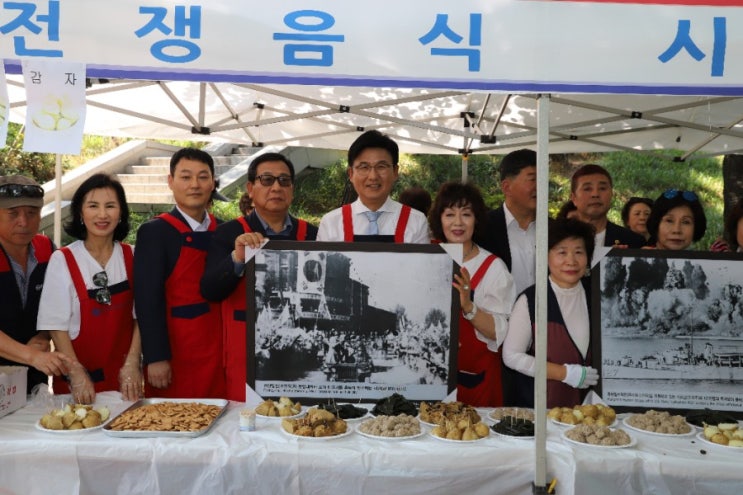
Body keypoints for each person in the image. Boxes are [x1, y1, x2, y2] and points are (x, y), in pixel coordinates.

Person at [201, 152, 318, 401]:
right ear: (251, 188)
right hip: (244, 358)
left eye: (284, 181)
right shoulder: (228, 234)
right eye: (267, 180)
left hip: (296, 360)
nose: (276, 187)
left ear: (292, 189)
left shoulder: (313, 236)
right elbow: (210, 290)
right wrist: (237, 258)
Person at [38, 174, 142, 403]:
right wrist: (75, 371)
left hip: (126, 381)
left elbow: (141, 317)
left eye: (110, 206)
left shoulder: (133, 256)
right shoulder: (63, 259)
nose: (102, 215)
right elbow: (56, 326)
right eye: (93, 206)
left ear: (121, 212)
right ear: (80, 213)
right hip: (80, 384)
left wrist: (133, 362)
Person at [134, 147, 226, 399]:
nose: (194, 184)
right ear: (170, 182)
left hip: (221, 350)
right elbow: (147, 300)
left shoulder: (227, 231)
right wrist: (156, 357)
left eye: (203, 177)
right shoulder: (155, 232)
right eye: (186, 177)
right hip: (177, 353)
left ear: (213, 183)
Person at [429, 181, 516, 407]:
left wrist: (469, 306)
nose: (457, 222)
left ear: (476, 219)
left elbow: (502, 333)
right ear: (439, 219)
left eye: (466, 214)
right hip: (430, 379)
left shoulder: (494, 268)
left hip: (477, 382)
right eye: (449, 214)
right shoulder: (427, 259)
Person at [502, 218, 599, 408]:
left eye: (579, 252)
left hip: (591, 411)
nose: (571, 261)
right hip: (541, 409)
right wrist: (564, 373)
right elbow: (511, 356)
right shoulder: (530, 300)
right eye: (562, 252)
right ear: (546, 256)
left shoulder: (598, 296)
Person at [0, 175, 70, 391]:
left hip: (34, 377)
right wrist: (30, 354)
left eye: (32, 213)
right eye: (13, 213)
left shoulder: (47, 249)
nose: (23, 221)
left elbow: (59, 304)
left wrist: (44, 335)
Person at [316, 130, 429, 243]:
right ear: (351, 174)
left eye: (381, 166)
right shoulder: (331, 223)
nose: (373, 176)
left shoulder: (415, 222)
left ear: (395, 172)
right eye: (364, 167)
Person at [479, 149, 537, 295]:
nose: (541, 187)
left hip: (546, 317)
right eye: (533, 179)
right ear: (507, 187)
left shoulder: (554, 229)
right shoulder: (482, 228)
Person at [570, 164, 645, 263]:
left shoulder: (633, 241)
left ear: (611, 195)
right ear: (574, 198)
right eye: (587, 189)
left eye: (602, 188)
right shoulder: (555, 238)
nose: (595, 194)